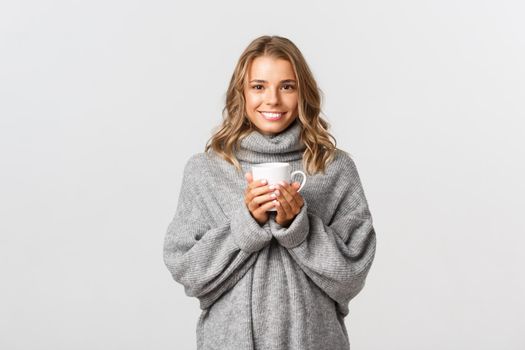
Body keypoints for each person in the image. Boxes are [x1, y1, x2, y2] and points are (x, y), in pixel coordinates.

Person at [163, 35, 377, 350]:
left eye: (287, 86)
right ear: (242, 93)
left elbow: (352, 274)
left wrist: (298, 228)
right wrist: (247, 224)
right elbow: (189, 272)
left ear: (303, 92)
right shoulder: (206, 170)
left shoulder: (333, 168)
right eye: (259, 86)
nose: (273, 100)